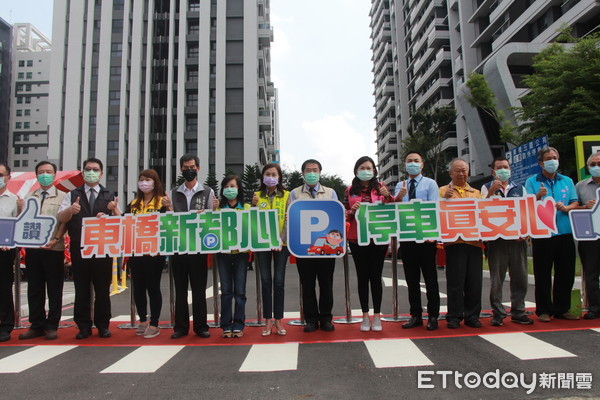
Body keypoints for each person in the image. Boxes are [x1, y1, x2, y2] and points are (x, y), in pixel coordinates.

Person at [57, 158, 120, 339]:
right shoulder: (72, 194)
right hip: (79, 246)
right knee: (82, 287)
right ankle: (83, 326)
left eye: (95, 169)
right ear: (83, 172)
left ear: (101, 174)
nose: (91, 172)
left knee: (102, 289)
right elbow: (61, 217)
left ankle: (102, 325)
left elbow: (120, 221)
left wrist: (110, 213)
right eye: (88, 169)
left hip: (102, 248)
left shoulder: (109, 195)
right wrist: (71, 210)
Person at [525, 147, 579, 322]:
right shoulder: (532, 181)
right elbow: (525, 205)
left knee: (566, 271)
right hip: (543, 234)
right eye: (548, 158)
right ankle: (544, 310)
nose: (552, 161)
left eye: (555, 158)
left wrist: (567, 208)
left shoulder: (567, 181)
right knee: (542, 273)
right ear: (540, 162)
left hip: (564, 231)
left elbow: (575, 202)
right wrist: (537, 197)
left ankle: (562, 308)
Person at [19, 161, 68, 341]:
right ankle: (36, 325)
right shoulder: (29, 197)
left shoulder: (64, 197)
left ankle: (52, 325)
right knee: (35, 288)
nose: (44, 175)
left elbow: (64, 222)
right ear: (36, 175)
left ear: (55, 175)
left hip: (54, 248)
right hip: (33, 249)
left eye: (48, 172)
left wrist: (56, 239)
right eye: (41, 172)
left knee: (55, 289)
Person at [481, 157, 533, 326]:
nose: (503, 170)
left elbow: (526, 212)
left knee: (520, 276)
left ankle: (518, 310)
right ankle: (498, 312)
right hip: (497, 240)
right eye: (499, 167)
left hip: (517, 239)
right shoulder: (486, 188)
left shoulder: (519, 188)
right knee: (497, 278)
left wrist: (525, 233)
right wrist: (490, 193)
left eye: (506, 167)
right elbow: (480, 209)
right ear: (493, 171)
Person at [288, 159, 338, 332]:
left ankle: (326, 318)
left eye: (314, 170)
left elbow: (336, 219)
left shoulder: (330, 193)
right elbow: (290, 220)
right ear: (302, 173)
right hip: (304, 249)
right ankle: (311, 319)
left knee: (326, 284)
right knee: (307, 285)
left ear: (320, 172)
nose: (311, 173)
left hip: (326, 249)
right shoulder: (294, 194)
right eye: (308, 170)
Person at [344, 156, 393, 332]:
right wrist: (351, 211)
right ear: (356, 170)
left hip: (378, 237)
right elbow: (344, 213)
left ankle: (377, 316)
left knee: (376, 276)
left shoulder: (381, 189)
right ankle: (365, 316)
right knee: (362, 276)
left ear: (374, 171)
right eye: (362, 167)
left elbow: (391, 210)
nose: (366, 170)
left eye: (369, 168)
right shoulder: (349, 190)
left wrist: (389, 197)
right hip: (357, 238)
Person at [169, 154, 215, 339]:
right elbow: (168, 220)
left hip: (198, 248)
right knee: (180, 290)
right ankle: (180, 327)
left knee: (198, 289)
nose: (189, 170)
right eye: (186, 167)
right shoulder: (172, 193)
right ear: (181, 169)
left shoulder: (207, 192)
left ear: (198, 168)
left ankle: (201, 326)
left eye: (192, 167)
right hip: (178, 247)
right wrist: (168, 209)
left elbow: (213, 219)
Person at [394, 152, 440, 330]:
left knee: (430, 278)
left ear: (422, 165)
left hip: (426, 238)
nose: (412, 164)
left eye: (416, 161)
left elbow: (434, 208)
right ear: (404, 165)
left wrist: (433, 235)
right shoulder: (400, 185)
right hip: (407, 237)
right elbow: (396, 209)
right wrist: (400, 196)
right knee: (411, 279)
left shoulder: (430, 183)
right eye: (409, 161)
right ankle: (416, 315)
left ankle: (433, 316)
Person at [125, 169, 172, 339]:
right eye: (142, 179)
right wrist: (114, 211)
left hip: (155, 252)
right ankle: (143, 319)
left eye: (148, 180)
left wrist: (169, 207)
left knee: (153, 286)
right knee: (138, 287)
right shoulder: (134, 203)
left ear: (155, 182)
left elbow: (170, 223)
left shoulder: (162, 202)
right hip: (136, 251)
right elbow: (125, 222)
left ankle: (155, 323)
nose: (144, 183)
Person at [440, 158, 483, 329]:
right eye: (457, 170)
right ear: (450, 173)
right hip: (454, 242)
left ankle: (472, 316)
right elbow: (436, 212)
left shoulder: (476, 192)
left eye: (464, 170)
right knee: (455, 281)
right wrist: (444, 200)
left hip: (474, 242)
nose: (461, 173)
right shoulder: (442, 191)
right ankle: (454, 316)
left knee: (474, 281)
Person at [252, 163, 290, 336]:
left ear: (279, 177)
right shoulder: (257, 195)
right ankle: (268, 321)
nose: (270, 177)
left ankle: (279, 320)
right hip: (263, 245)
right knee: (266, 281)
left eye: (274, 174)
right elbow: (251, 220)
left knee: (279, 281)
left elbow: (290, 220)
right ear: (262, 177)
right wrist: (253, 206)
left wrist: (281, 240)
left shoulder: (288, 195)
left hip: (282, 245)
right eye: (267, 174)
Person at [217, 175, 250, 338]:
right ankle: (225, 324)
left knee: (240, 290)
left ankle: (238, 323)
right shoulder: (217, 209)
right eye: (226, 186)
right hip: (223, 254)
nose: (229, 189)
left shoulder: (247, 208)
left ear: (238, 189)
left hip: (241, 255)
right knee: (226, 291)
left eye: (233, 186)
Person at [576, 152, 600, 319]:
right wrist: (585, 207)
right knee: (591, 273)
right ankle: (595, 307)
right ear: (587, 167)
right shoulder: (580, 186)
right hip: (590, 236)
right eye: (593, 165)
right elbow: (573, 207)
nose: (596, 167)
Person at [0, 163, 21, 342]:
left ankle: (6, 325)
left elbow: (18, 226)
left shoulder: (15, 200)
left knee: (4, 287)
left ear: (8, 178)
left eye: (0, 174)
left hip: (5, 250)